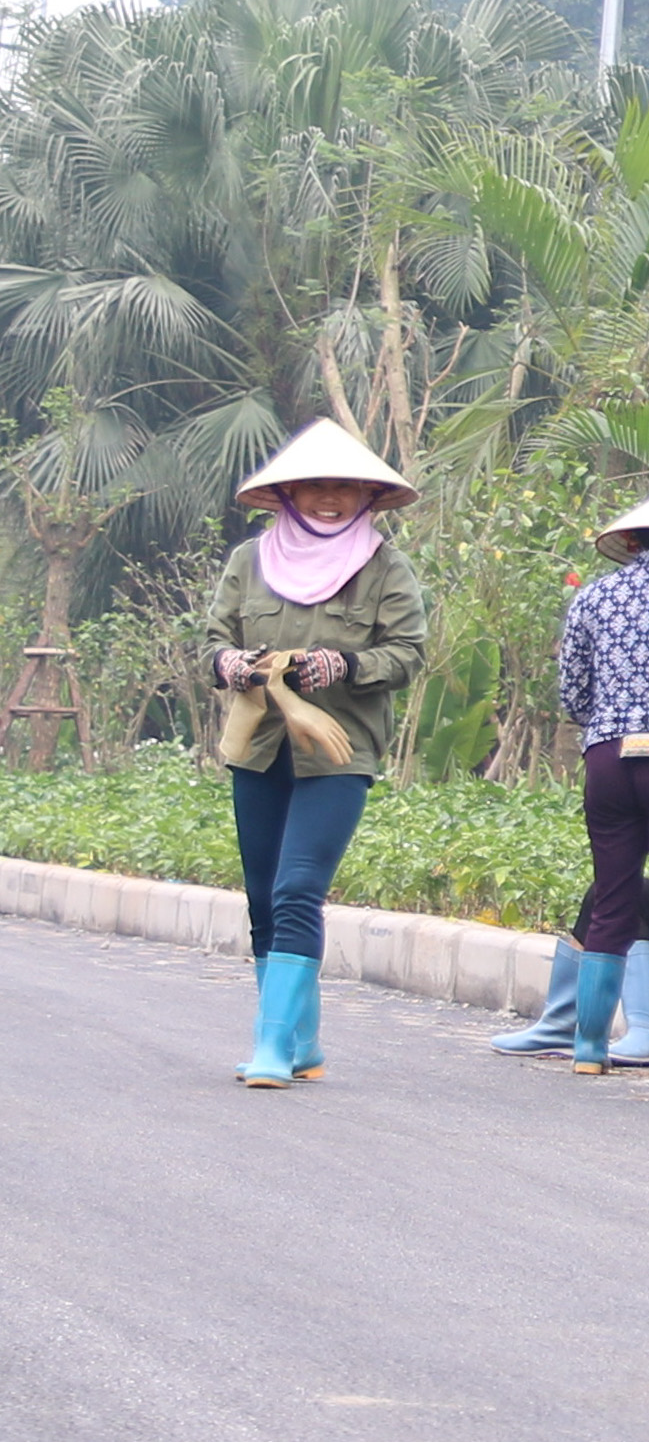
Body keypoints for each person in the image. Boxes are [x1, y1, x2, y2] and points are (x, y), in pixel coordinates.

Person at [200, 421, 427, 1090]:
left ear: (366, 496)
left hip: (339, 751)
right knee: (263, 898)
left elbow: (409, 652)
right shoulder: (249, 561)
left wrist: (346, 665)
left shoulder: (385, 566)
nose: (331, 497)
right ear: (289, 493)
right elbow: (212, 637)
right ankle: (299, 1042)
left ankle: (269, 1047)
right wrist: (229, 662)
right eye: (316, 485)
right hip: (260, 749)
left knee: (299, 889)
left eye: (345, 486)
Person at [506, 482, 649, 1076]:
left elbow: (574, 693)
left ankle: (587, 1047)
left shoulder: (593, 598)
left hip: (608, 758)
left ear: (633, 541)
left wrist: (614, 722)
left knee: (611, 898)